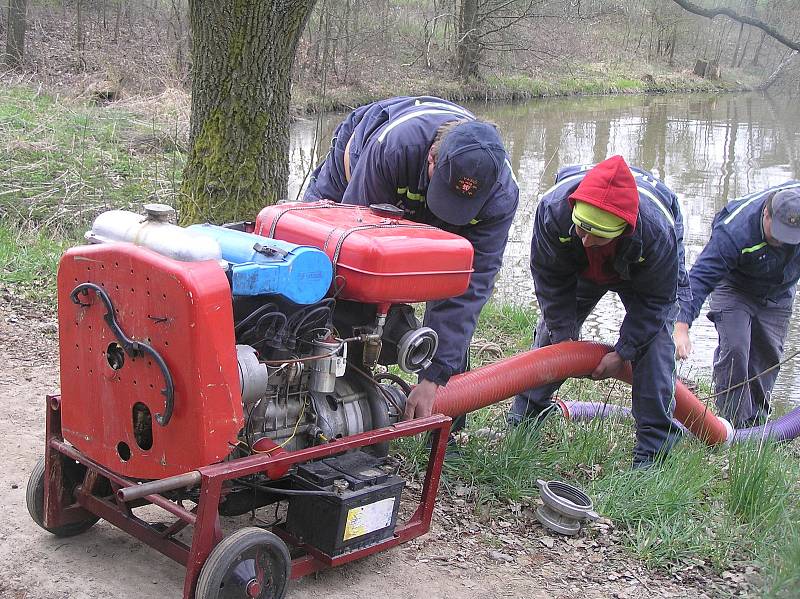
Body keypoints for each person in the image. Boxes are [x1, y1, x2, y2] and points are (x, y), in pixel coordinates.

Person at [304, 96, 519, 423]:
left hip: (417, 181)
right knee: (323, 277)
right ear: (432, 159)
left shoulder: (501, 196)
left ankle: (448, 429)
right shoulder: (395, 149)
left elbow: (469, 288)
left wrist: (434, 375)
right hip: (357, 167)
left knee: (451, 334)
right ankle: (319, 406)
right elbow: (353, 250)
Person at [508, 155, 689, 468]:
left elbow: (655, 303)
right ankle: (524, 421)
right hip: (580, 270)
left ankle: (652, 452)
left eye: (598, 235)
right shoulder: (554, 211)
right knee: (550, 336)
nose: (587, 240)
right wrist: (565, 338)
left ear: (624, 229)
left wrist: (623, 352)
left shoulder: (657, 234)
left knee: (656, 346)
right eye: (582, 229)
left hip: (638, 272)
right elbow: (550, 279)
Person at [674, 184, 800, 428]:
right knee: (736, 348)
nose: (782, 243)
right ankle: (731, 424)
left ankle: (757, 426)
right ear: (766, 214)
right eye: (777, 235)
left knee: (768, 355)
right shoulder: (734, 231)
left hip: (779, 291)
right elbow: (699, 279)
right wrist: (681, 326)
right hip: (734, 286)